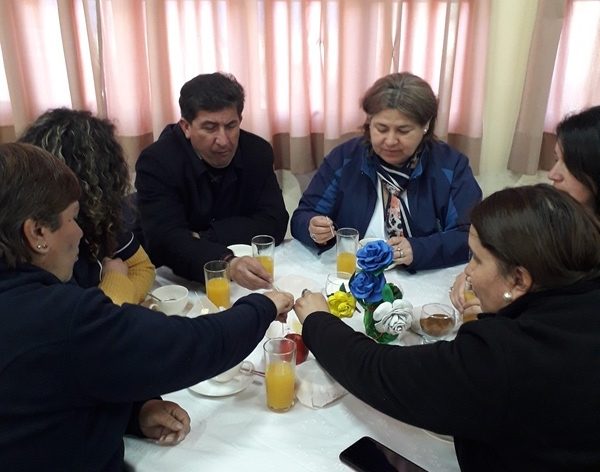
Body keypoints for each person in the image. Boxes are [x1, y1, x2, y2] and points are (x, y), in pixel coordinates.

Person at [0, 143, 294, 470]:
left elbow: (45, 399)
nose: (81, 231)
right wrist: (263, 306)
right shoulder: (60, 317)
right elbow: (190, 344)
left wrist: (134, 414)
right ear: (37, 232)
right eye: (72, 217)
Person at [295, 184, 600, 471]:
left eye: (477, 260)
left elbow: (379, 371)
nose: (468, 273)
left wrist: (318, 321)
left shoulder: (505, 356)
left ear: (519, 280)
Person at [290, 72, 482, 271]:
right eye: (381, 128)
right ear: (369, 122)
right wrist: (312, 228)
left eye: (403, 131)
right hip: (353, 271)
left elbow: (469, 235)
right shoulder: (345, 158)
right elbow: (303, 216)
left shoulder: (450, 166)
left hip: (423, 273)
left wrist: (419, 249)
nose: (390, 141)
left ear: (425, 126)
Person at [135, 72, 288, 290]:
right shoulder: (157, 162)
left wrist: (205, 236)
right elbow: (165, 240)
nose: (223, 141)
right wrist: (227, 263)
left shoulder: (258, 152)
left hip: (247, 275)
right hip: (177, 281)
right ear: (186, 127)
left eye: (231, 126)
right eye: (210, 128)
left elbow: (274, 222)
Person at [451, 105, 600, 317]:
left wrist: (499, 310)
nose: (553, 174)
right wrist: (475, 275)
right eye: (557, 159)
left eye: (570, 164)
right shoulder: (558, 217)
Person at [19, 108, 155, 305]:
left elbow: (142, 266)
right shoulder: (40, 243)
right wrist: (115, 283)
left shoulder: (99, 214)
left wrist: (118, 299)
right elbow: (79, 326)